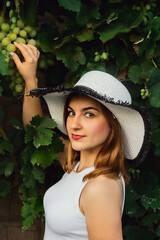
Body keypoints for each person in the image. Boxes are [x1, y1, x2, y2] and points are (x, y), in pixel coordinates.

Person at [11, 43, 151, 240]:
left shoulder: (100, 186)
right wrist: (30, 80)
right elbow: (36, 132)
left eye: (89, 115)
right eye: (71, 113)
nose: (74, 124)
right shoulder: (76, 166)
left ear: (113, 125)